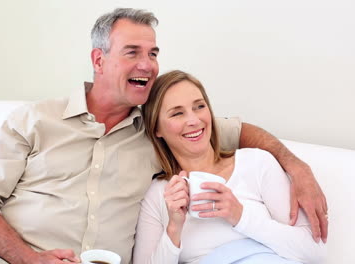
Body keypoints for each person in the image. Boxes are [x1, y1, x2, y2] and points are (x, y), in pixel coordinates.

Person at [0, 8, 327, 264]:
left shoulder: (156, 132)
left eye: (152, 53)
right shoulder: (34, 119)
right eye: (132, 52)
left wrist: (297, 167)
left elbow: (232, 131)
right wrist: (30, 259)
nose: (147, 64)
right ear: (99, 61)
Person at [133, 70, 326, 263]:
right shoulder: (159, 195)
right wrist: (174, 228)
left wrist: (240, 216)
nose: (193, 120)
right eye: (177, 113)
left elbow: (313, 251)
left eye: (199, 106)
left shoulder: (257, 163)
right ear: (156, 128)